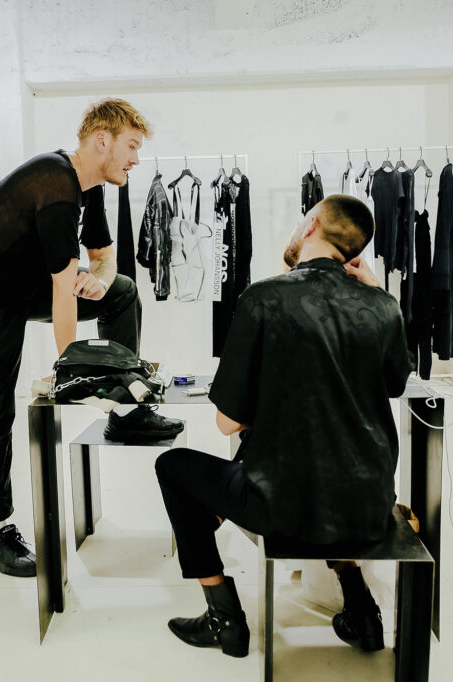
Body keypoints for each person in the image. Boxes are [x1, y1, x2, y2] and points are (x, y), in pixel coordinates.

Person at [155, 195, 412, 657]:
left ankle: (224, 619)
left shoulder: (263, 299)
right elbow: (395, 384)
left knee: (173, 467)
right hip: (370, 506)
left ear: (311, 224)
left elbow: (227, 423)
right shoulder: (383, 306)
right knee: (328, 450)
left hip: (285, 510)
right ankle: (362, 610)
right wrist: (378, 293)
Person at [0, 99, 182, 578]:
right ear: (102, 141)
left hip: (19, 286)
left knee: (122, 292)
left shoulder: (91, 186)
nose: (136, 159)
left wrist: (100, 281)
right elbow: (62, 290)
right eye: (132, 147)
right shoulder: (56, 182)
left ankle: (126, 410)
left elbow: (105, 260)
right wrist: (68, 371)